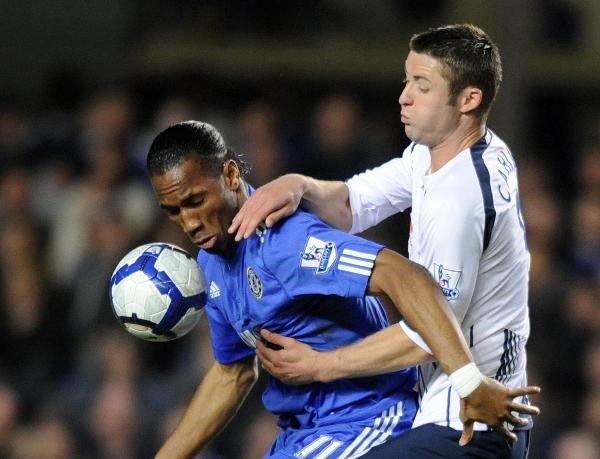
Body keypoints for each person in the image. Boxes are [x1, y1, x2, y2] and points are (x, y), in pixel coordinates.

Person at [229, 24, 536, 458]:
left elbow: (430, 332)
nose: (404, 97)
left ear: (469, 100)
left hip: (472, 421)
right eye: (407, 80)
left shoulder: (461, 200)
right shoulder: (437, 153)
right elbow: (355, 204)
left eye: (422, 86)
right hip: (445, 410)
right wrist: (299, 184)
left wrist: (320, 366)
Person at [145, 121, 538, 458]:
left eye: (196, 201)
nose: (190, 222)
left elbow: (405, 276)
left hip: (367, 417)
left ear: (230, 175)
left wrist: (468, 381)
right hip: (303, 432)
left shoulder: (286, 242)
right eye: (175, 211)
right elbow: (232, 374)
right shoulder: (210, 264)